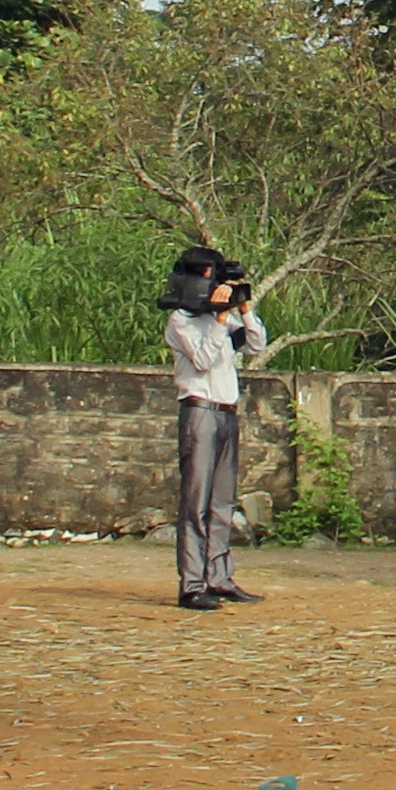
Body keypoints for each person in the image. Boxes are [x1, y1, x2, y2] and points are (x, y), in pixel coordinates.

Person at [163, 245, 270, 612]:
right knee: (196, 502)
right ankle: (192, 584)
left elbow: (256, 344)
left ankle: (219, 577)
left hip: (227, 411)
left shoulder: (222, 317)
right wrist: (220, 321)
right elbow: (205, 360)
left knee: (222, 500)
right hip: (199, 411)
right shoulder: (181, 321)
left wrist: (244, 310)